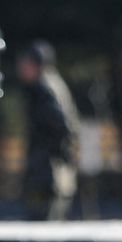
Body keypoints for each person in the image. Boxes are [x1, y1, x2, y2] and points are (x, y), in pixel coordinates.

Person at [17, 40, 79, 221]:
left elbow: (63, 126)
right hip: (50, 170)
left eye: (25, 63)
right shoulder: (51, 84)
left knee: (43, 226)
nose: (21, 68)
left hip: (47, 173)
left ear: (37, 65)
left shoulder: (45, 90)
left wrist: (48, 155)